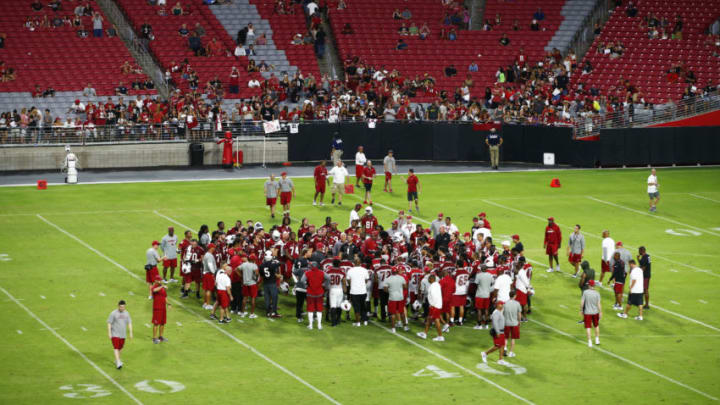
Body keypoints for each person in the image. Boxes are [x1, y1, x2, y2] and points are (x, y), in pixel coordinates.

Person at [417, 274, 445, 341]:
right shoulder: (437, 284)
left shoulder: (432, 286)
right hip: (437, 305)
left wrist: (432, 305)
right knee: (429, 319)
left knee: (436, 320)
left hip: (434, 306)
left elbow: (433, 296)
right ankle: (424, 334)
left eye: (429, 279)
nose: (428, 280)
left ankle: (440, 336)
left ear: (431, 279)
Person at [107, 300, 132, 369]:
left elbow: (129, 323)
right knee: (116, 348)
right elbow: (109, 323)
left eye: (123, 307)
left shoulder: (127, 313)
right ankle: (118, 362)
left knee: (120, 348)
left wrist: (130, 332)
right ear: (118, 306)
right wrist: (109, 333)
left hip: (123, 334)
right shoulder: (113, 313)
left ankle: (117, 359)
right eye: (121, 307)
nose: (122, 308)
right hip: (115, 334)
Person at [481, 301, 509, 365]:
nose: (502, 306)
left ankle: (500, 360)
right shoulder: (496, 313)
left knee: (502, 345)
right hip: (498, 331)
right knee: (497, 346)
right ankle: (485, 353)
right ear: (498, 305)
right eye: (501, 304)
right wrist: (497, 332)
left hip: (501, 331)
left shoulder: (499, 312)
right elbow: (495, 323)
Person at [302, 264, 329, 329]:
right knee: (319, 310)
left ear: (311, 267)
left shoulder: (307, 272)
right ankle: (319, 325)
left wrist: (306, 286)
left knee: (310, 310)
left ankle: (310, 325)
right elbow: (328, 278)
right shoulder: (322, 272)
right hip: (319, 293)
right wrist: (324, 285)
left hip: (310, 293)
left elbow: (302, 280)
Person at [347, 257, 370, 326]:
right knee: (363, 306)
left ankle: (358, 322)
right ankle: (365, 321)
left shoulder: (350, 270)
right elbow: (366, 280)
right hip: (363, 290)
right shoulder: (364, 270)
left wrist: (353, 285)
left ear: (354, 263)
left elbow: (349, 281)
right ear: (360, 263)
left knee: (356, 307)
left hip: (354, 291)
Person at [385, 268, 409, 333]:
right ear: (397, 271)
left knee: (393, 314)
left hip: (392, 298)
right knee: (402, 313)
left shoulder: (388, 279)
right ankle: (405, 327)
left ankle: (393, 329)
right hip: (400, 297)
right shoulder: (401, 278)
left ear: (391, 272)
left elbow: (385, 289)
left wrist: (390, 291)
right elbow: (405, 287)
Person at [260, 250, 282, 318]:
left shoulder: (261, 265)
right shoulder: (273, 265)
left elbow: (261, 275)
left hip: (265, 283)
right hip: (272, 283)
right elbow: (280, 263)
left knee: (267, 299)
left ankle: (267, 312)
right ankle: (274, 313)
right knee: (274, 298)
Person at [581, 280, 602, 347]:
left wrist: (581, 310)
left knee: (588, 327)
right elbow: (598, 304)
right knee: (596, 326)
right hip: (595, 312)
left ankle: (590, 342)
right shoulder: (597, 293)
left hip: (587, 312)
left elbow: (582, 302)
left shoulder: (585, 292)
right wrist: (600, 311)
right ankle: (597, 340)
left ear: (589, 285)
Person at [327, 259, 346, 326]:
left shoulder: (329, 271)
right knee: (339, 306)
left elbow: (326, 280)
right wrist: (345, 292)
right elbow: (344, 283)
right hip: (340, 289)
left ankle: (333, 322)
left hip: (332, 289)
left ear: (333, 264)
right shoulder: (342, 272)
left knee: (333, 306)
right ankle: (338, 320)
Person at [150, 275, 170, 343]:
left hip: (163, 308)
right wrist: (162, 286)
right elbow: (154, 290)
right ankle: (154, 338)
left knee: (162, 323)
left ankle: (160, 337)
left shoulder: (162, 287)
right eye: (159, 280)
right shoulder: (154, 287)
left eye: (160, 280)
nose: (160, 281)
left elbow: (165, 297)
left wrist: (169, 304)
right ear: (155, 281)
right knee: (156, 323)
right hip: (157, 308)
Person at [503, 291, 522, 357]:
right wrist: (519, 321)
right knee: (513, 338)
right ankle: (511, 352)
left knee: (505, 338)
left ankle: (505, 348)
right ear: (514, 296)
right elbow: (519, 314)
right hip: (514, 323)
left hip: (506, 323)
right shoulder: (517, 303)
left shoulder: (505, 303)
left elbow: (503, 313)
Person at [201, 243, 217, 310]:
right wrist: (214, 272)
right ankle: (207, 304)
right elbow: (210, 265)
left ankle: (205, 303)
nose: (215, 249)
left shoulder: (206, 254)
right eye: (214, 247)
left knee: (206, 289)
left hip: (205, 273)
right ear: (211, 248)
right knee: (209, 290)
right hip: (209, 274)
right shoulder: (210, 256)